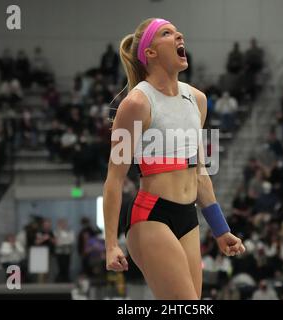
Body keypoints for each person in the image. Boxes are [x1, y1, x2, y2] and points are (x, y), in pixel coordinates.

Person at [103, 18, 245, 300]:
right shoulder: (136, 104)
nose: (179, 34)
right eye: (167, 33)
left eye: (177, 31)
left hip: (188, 218)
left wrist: (220, 229)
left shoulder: (199, 100)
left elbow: (200, 171)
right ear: (150, 53)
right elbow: (114, 179)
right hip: (151, 216)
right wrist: (110, 244)